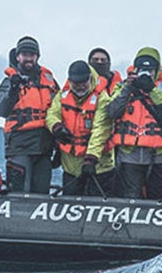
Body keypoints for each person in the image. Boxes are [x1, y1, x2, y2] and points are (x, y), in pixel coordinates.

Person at [90, 46, 162, 200]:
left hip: (158, 155)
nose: (147, 73)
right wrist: (128, 88)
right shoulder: (124, 85)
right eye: (142, 69)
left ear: (157, 70)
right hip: (129, 155)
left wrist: (152, 90)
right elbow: (112, 111)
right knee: (129, 197)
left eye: (151, 70)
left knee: (159, 198)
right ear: (135, 69)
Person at [0, 36, 59, 194]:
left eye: (32, 54)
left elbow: (60, 110)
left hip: (44, 147)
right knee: (19, 191)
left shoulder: (50, 81)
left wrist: (59, 148)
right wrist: (13, 91)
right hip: (19, 145)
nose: (28, 58)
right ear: (18, 57)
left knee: (41, 191)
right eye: (24, 54)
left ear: (37, 56)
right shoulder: (9, 82)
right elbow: (1, 110)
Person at [46, 61, 116, 197]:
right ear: (69, 81)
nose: (80, 87)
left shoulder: (102, 98)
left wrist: (91, 158)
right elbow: (52, 114)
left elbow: (101, 130)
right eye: (76, 84)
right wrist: (56, 127)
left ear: (90, 78)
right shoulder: (62, 95)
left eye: (84, 83)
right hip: (71, 168)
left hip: (99, 168)